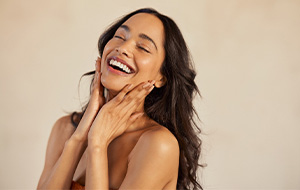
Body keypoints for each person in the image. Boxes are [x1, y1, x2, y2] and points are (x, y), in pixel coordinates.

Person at [37, 8, 203, 190]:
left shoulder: (158, 144)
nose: (122, 48)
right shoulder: (65, 129)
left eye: (143, 47)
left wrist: (98, 143)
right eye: (119, 37)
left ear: (161, 77)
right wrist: (78, 139)